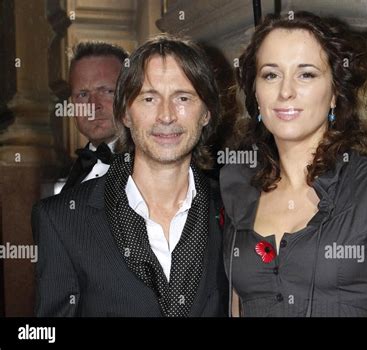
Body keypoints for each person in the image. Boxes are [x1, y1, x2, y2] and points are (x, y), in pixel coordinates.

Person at [220, 12, 367, 317]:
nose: (285, 91)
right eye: (271, 74)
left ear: (334, 94)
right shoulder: (238, 186)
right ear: (256, 93)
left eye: (306, 74)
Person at [32, 34, 228, 317]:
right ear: (125, 113)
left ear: (206, 112)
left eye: (183, 97)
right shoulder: (60, 220)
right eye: (149, 98)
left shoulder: (235, 210)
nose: (166, 115)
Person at [61, 42, 128, 192]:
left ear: (129, 94)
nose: (93, 105)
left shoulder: (154, 165)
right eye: (83, 95)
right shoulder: (78, 169)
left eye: (106, 91)